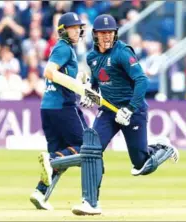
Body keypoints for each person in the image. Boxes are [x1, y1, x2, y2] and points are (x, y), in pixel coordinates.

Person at [72, 14, 179, 215]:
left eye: (110, 33)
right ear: (95, 35)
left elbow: (142, 81)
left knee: (140, 164)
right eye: (103, 33)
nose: (107, 37)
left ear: (115, 34)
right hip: (109, 111)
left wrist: (129, 109)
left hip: (133, 110)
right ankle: (90, 202)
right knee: (90, 150)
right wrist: (90, 93)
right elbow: (97, 82)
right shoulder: (92, 57)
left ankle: (162, 148)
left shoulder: (122, 53)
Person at [30, 12, 87, 210]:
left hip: (48, 108)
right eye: (74, 27)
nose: (78, 30)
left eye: (79, 27)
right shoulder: (64, 48)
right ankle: (51, 160)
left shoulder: (64, 48)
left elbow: (63, 77)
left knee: (62, 154)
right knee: (86, 147)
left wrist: (80, 80)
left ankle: (39, 193)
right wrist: (79, 87)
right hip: (62, 107)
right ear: (63, 30)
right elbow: (49, 72)